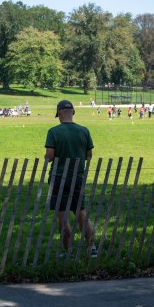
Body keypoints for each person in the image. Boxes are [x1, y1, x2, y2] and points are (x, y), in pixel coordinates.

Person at [45, 99, 96, 257]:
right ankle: (91, 247)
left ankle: (67, 251)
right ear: (73, 112)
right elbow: (89, 155)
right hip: (77, 177)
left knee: (62, 214)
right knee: (81, 213)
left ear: (59, 113)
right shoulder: (84, 131)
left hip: (59, 178)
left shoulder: (53, 132)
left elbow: (50, 156)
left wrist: (47, 157)